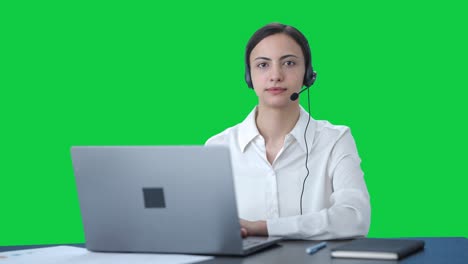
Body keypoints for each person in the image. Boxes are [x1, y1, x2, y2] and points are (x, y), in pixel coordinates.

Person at [205, 23, 370, 240]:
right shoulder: (218, 147)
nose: (275, 75)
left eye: (289, 63)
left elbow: (355, 218)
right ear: (249, 76)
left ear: (307, 74)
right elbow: (206, 226)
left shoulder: (335, 140)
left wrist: (265, 227)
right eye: (263, 65)